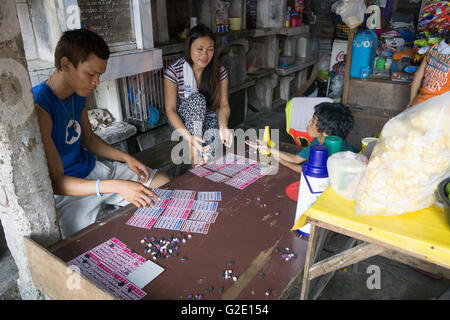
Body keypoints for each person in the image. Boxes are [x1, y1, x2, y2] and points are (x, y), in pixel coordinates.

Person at [32, 29, 170, 237]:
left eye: (99, 75)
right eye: (91, 74)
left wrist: (126, 158)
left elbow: (88, 139)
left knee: (163, 185)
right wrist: (117, 186)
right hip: (70, 191)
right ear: (65, 64)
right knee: (90, 245)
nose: (96, 82)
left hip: (93, 170)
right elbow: (57, 182)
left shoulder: (78, 93)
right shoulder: (41, 107)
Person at [164, 24, 233, 165]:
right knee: (198, 100)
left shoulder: (219, 71)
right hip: (182, 123)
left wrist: (223, 126)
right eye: (199, 49)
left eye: (210, 50)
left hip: (209, 118)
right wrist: (189, 137)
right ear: (189, 48)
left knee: (210, 159)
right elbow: (170, 111)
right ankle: (195, 158)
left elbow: (224, 105)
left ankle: (202, 168)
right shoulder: (174, 71)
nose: (205, 55)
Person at [247, 102, 356, 173]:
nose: (309, 122)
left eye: (313, 121)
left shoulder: (335, 153)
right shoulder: (318, 140)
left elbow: (307, 171)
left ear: (326, 132)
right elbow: (296, 159)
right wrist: (268, 148)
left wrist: (284, 162)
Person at [407, 34, 450, 108]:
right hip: (439, 110)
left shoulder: (434, 47)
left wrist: (411, 102)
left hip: (419, 103)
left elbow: (417, 76)